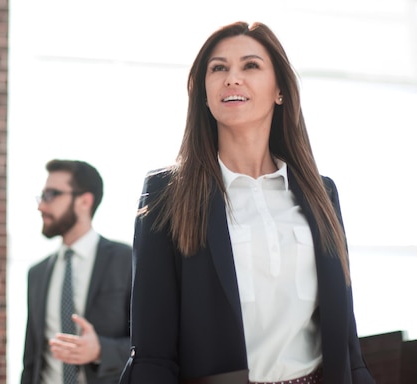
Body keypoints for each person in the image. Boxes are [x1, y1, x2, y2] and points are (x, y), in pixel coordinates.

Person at [119, 21, 375, 384]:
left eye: (250, 66)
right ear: (204, 93)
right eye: (218, 68)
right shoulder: (166, 194)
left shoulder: (323, 194)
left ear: (280, 91)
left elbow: (348, 346)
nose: (232, 78)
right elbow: (152, 355)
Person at [21, 159, 132, 384]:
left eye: (51, 195)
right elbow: (31, 360)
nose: (41, 206)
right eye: (42, 196)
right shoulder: (37, 274)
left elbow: (154, 346)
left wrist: (101, 350)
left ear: (84, 201)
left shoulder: (127, 261)